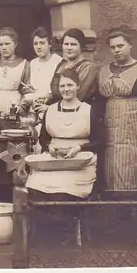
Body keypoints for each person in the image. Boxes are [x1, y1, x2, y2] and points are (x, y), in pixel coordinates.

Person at [98, 27, 137, 199]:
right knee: (112, 165)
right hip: (110, 125)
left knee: (132, 165)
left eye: (120, 46)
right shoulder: (104, 70)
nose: (116, 50)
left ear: (130, 45)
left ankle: (134, 207)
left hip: (134, 125)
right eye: (113, 47)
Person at [26, 69, 102, 201]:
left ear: (78, 86)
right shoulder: (51, 110)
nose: (66, 89)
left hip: (81, 162)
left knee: (65, 191)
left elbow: (100, 140)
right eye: (62, 86)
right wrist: (49, 147)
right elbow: (44, 138)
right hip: (54, 160)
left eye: (70, 85)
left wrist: (79, 148)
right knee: (35, 186)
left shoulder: (89, 110)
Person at [27, 27, 64, 153]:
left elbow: (60, 88)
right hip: (34, 110)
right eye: (35, 43)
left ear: (50, 44)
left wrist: (48, 97)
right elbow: (28, 87)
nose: (38, 47)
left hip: (51, 107)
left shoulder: (59, 62)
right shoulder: (32, 63)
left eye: (42, 43)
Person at [0, 27, 33, 115]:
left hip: (15, 109)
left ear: (15, 44)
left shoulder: (24, 64)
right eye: (1, 44)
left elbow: (27, 90)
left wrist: (20, 106)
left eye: (7, 44)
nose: (4, 47)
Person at [48, 28, 98, 105]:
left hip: (78, 111)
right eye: (66, 44)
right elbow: (55, 92)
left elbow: (78, 95)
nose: (69, 48)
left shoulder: (87, 67)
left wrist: (54, 108)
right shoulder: (62, 65)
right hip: (58, 109)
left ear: (81, 46)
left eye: (73, 44)